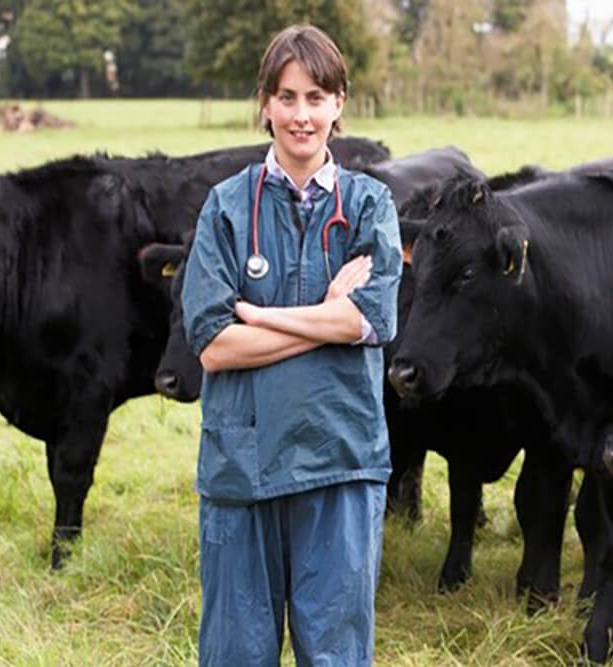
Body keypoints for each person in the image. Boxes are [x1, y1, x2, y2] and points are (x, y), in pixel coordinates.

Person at [181, 24, 401, 667]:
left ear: (339, 104)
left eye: (315, 97)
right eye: (286, 97)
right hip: (241, 465)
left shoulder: (370, 207)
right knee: (235, 652)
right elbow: (214, 346)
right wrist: (324, 315)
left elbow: (371, 322)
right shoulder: (225, 208)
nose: (300, 115)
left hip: (341, 456)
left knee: (335, 653)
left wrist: (259, 316)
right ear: (265, 105)